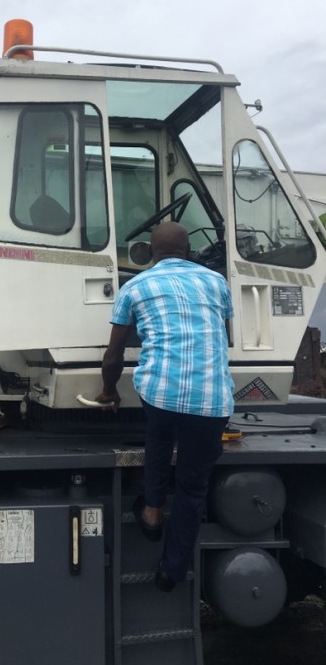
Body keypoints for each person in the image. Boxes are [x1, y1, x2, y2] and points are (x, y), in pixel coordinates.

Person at [96, 222, 234, 591]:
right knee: (193, 486)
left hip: (161, 395)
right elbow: (221, 335)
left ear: (149, 253)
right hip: (213, 399)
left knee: (158, 438)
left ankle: (152, 511)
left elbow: (113, 356)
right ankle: (171, 572)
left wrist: (109, 391)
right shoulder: (217, 282)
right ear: (188, 250)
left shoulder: (135, 286)